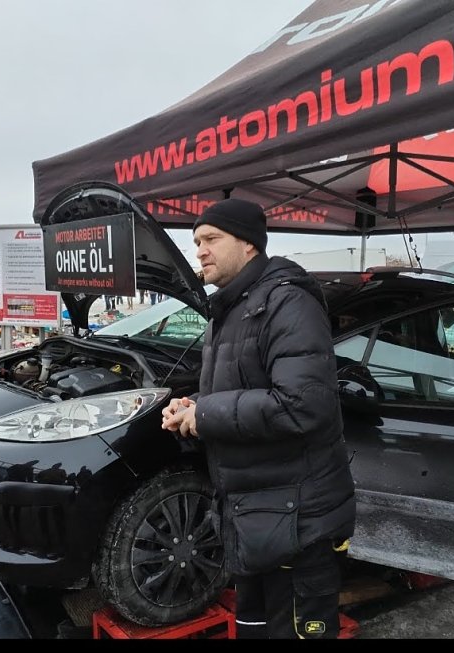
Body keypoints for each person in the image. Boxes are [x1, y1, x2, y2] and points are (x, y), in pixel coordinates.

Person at [161, 199, 355, 639]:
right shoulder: (228, 310)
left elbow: (303, 405)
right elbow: (240, 391)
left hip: (297, 525)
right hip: (254, 522)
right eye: (196, 242)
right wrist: (191, 408)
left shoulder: (287, 303)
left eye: (211, 239)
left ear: (248, 244)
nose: (200, 251)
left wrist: (205, 414)